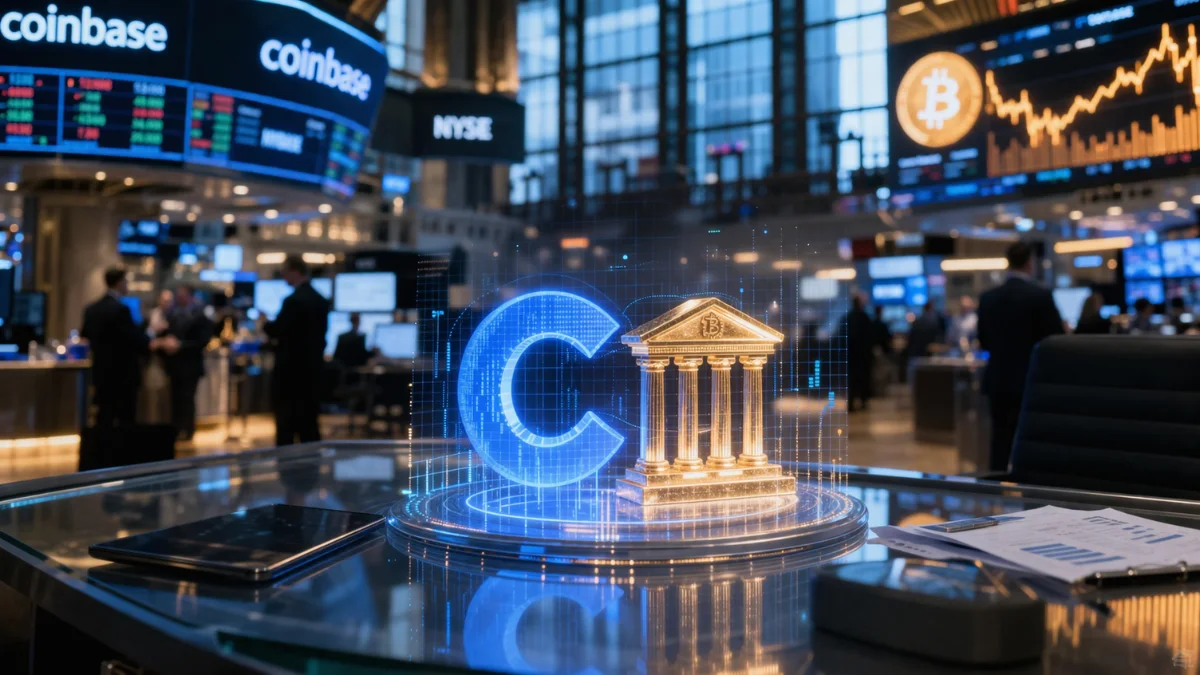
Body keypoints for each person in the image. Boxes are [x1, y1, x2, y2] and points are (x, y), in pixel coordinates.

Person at [977, 242, 1064, 472]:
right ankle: (1029, 498)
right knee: (1031, 444)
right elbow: (1054, 341)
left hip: (998, 380)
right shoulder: (1040, 296)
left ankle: (995, 495)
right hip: (1030, 381)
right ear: (1029, 263)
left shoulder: (988, 298)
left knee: (999, 441)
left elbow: (983, 340)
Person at [81, 268, 166, 428]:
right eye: (126, 282)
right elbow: (134, 340)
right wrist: (150, 334)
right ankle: (121, 452)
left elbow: (84, 336)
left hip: (101, 373)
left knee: (103, 418)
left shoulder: (91, 309)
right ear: (120, 283)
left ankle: (101, 451)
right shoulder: (121, 310)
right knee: (125, 421)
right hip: (123, 375)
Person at [264, 255, 330, 446]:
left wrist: (264, 324)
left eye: (285, 272)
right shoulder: (320, 300)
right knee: (309, 425)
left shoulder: (293, 301)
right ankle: (313, 472)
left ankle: (287, 473)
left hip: (289, 374)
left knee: (286, 426)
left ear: (294, 271)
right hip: (312, 373)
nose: (283, 276)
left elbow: (279, 331)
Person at [164, 285, 212, 441]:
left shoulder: (199, 316)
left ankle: (188, 429)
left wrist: (181, 345)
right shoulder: (173, 314)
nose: (180, 298)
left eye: (183, 295)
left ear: (191, 296)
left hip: (191, 364)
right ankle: (176, 429)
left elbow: (203, 341)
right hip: (175, 364)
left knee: (187, 398)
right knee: (175, 398)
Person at [841, 293, 875, 412]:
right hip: (863, 355)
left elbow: (842, 336)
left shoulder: (847, 317)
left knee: (852, 380)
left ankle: (851, 403)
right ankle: (863, 402)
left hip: (851, 355)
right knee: (863, 379)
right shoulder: (864, 317)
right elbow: (870, 336)